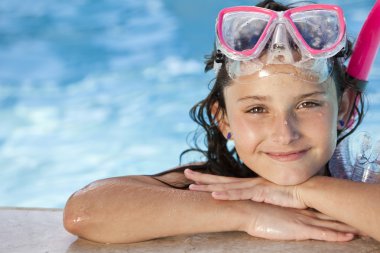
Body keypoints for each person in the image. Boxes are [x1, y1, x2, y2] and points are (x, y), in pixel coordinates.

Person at [63, 0, 380, 244]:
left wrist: (303, 192)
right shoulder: (218, 188)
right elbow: (86, 211)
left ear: (344, 107)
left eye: (307, 103)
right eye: (257, 109)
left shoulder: (363, 176)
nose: (284, 133)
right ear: (224, 119)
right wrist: (248, 213)